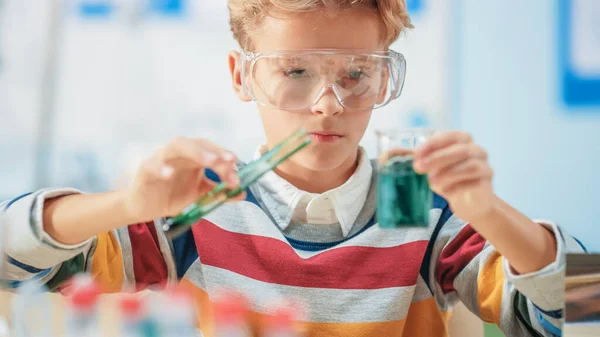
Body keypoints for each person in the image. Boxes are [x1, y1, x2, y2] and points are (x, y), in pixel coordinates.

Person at [0, 1, 586, 336]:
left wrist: (489, 212)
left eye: (356, 73)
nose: (327, 103)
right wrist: (126, 206)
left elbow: (582, 305)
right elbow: (9, 260)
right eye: (296, 72)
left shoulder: (423, 213)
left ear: (385, 78)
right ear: (242, 75)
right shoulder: (198, 213)